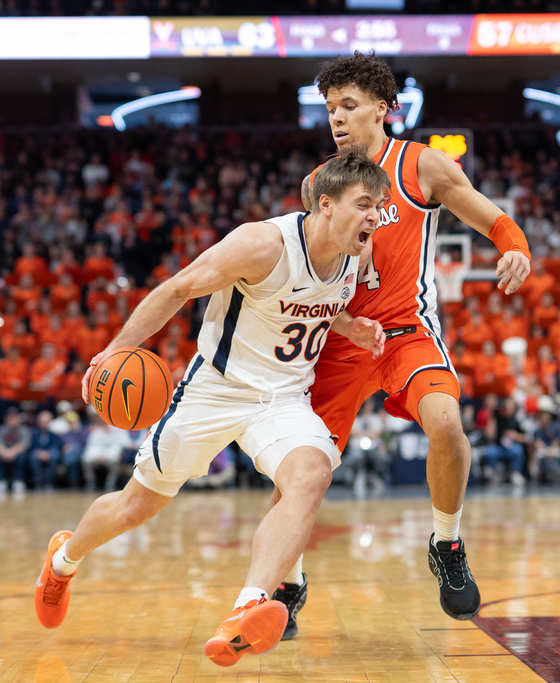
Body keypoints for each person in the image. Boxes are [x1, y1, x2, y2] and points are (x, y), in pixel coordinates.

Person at [33, 150, 390, 668]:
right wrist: (113, 351)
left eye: (378, 206)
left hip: (284, 398)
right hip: (217, 389)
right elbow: (177, 289)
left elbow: (314, 306)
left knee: (311, 475)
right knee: (137, 506)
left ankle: (247, 609)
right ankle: (62, 561)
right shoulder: (262, 243)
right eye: (364, 204)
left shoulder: (356, 253)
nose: (374, 216)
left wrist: (350, 326)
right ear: (327, 205)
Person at [274, 51, 531, 634]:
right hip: (337, 339)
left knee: (446, 425)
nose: (336, 119)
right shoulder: (319, 182)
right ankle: (287, 583)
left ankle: (446, 544)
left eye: (349, 106)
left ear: (383, 108)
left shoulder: (423, 166)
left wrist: (514, 246)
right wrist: (333, 322)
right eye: (329, 108)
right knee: (297, 470)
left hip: (403, 332)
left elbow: (492, 219)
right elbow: (309, 272)